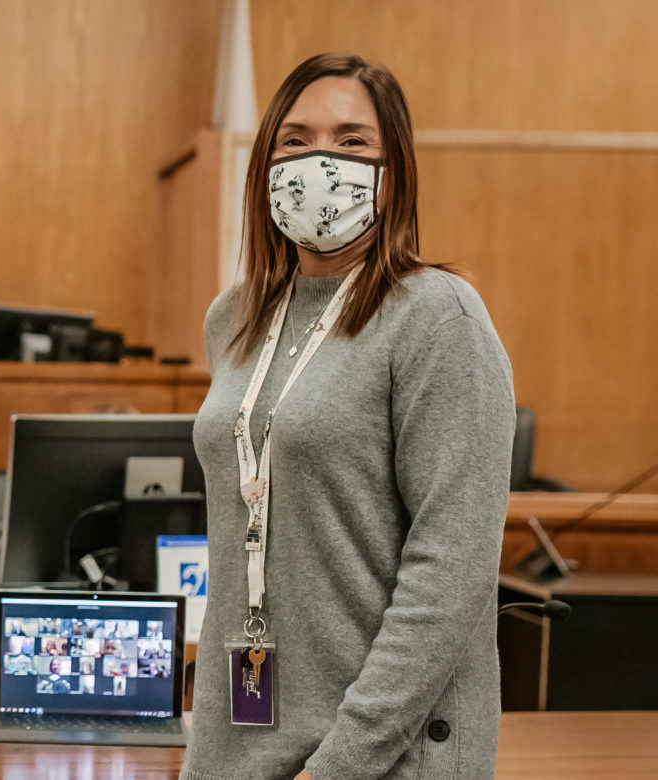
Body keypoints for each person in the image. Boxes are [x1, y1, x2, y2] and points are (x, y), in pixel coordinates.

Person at [182, 53, 512, 780]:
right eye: (295, 141)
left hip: (381, 756)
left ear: (393, 171)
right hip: (237, 741)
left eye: (352, 142)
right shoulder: (234, 317)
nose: (319, 161)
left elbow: (450, 573)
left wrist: (341, 764)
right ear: (265, 162)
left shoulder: (437, 317)